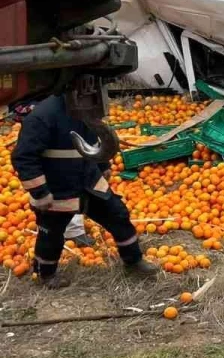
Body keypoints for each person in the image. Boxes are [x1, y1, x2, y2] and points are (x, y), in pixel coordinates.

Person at [13, 92, 157, 288]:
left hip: (89, 182)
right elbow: (24, 157)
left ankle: (134, 261)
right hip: (57, 188)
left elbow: (95, 142)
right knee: (51, 234)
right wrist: (40, 192)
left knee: (118, 214)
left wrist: (103, 166)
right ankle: (46, 274)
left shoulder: (85, 110)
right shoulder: (42, 116)